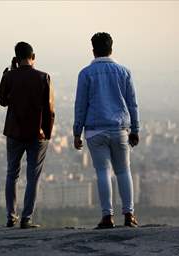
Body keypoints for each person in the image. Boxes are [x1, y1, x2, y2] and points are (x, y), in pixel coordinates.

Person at [73, 32, 140, 228]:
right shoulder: (124, 72)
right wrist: (135, 129)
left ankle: (107, 216)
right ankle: (129, 215)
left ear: (93, 50)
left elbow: (80, 105)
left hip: (95, 130)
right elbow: (132, 104)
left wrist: (77, 132)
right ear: (111, 49)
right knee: (123, 171)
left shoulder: (85, 74)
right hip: (120, 129)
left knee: (103, 172)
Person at [0, 41, 55, 228]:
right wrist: (47, 133)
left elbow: (2, 101)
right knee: (33, 176)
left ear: (16, 57)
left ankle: (10, 216)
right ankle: (27, 218)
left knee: (12, 174)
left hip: (14, 132)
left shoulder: (10, 77)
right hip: (36, 134)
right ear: (34, 57)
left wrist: (8, 73)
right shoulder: (43, 77)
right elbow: (49, 110)